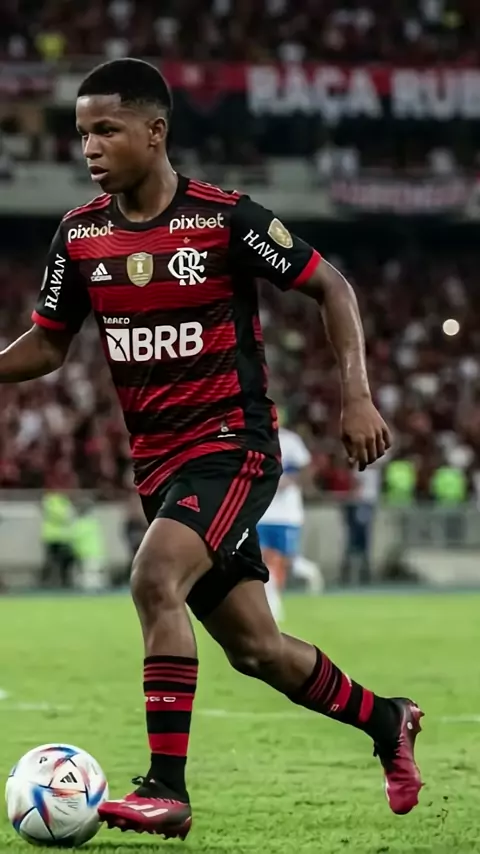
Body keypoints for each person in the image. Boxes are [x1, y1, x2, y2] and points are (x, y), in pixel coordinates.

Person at [0, 58, 423, 838]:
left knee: (153, 577)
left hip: (234, 447)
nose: (89, 148)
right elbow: (50, 344)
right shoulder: (79, 235)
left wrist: (357, 394)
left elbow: (331, 285)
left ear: (155, 132)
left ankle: (167, 790)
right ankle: (387, 720)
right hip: (159, 467)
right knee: (257, 649)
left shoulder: (225, 220)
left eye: (106, 130)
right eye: (82, 133)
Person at [257, 424, 312, 621]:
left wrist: (291, 481)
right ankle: (271, 600)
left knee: (285, 561)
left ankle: (307, 572)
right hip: (261, 512)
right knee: (262, 559)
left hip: (287, 514)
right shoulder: (253, 436)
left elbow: (306, 469)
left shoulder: (291, 440)